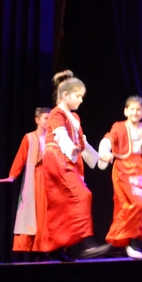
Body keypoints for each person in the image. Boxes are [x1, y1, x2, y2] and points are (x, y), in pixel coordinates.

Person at [38, 70, 108, 260]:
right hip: (58, 158)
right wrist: (71, 149)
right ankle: (86, 244)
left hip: (69, 159)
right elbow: (61, 135)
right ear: (66, 95)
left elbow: (82, 143)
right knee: (83, 195)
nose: (81, 100)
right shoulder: (57, 113)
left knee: (62, 205)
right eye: (78, 96)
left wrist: (99, 159)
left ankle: (57, 248)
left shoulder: (75, 118)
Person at [98, 96, 142, 258]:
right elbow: (107, 141)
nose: (135, 112)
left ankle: (132, 241)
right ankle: (125, 241)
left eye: (138, 110)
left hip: (138, 169)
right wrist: (104, 152)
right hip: (122, 169)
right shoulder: (119, 127)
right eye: (132, 109)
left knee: (140, 205)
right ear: (126, 111)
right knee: (126, 205)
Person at [0, 107, 50, 259]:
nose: (48, 121)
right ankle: (36, 248)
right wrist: (12, 175)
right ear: (37, 120)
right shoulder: (29, 137)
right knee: (35, 212)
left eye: (50, 118)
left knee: (48, 213)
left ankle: (47, 248)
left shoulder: (53, 138)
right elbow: (20, 158)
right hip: (36, 179)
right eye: (45, 118)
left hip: (50, 179)